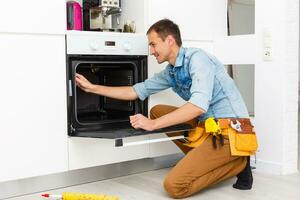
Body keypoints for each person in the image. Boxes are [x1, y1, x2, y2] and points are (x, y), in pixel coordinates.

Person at [75, 19, 254, 199]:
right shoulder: (172, 71)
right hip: (208, 127)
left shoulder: (198, 59)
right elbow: (136, 90)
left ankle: (238, 162)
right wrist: (93, 88)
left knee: (175, 186)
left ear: (169, 41)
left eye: (153, 44)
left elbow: (198, 106)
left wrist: (153, 125)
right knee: (157, 110)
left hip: (230, 131)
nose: (151, 51)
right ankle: (210, 160)